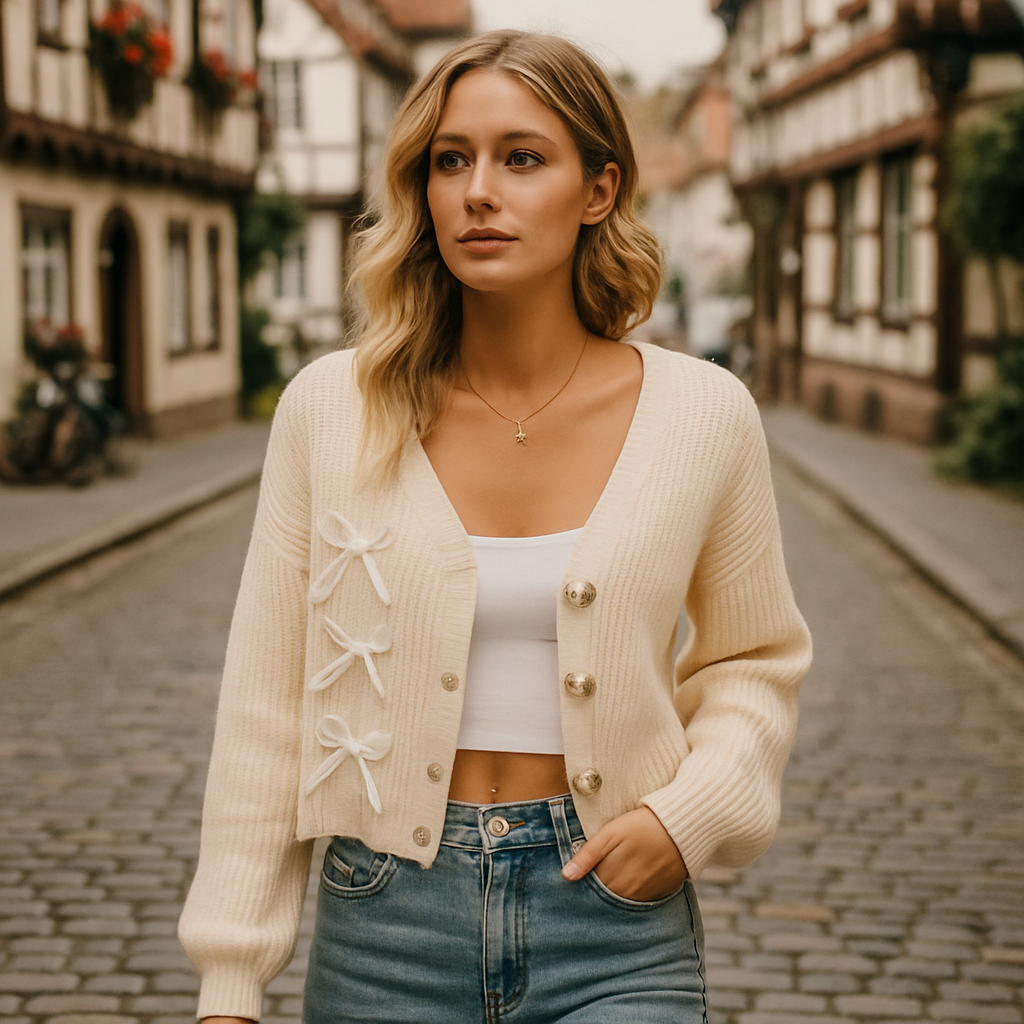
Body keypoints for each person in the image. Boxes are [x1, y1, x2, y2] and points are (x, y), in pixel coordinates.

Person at [178, 30, 812, 1024]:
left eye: (521, 157)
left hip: (613, 915)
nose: (479, 189)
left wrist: (686, 815)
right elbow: (268, 703)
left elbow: (753, 660)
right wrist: (229, 978)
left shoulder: (703, 413)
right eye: (449, 159)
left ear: (597, 189)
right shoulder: (329, 410)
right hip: (385, 916)